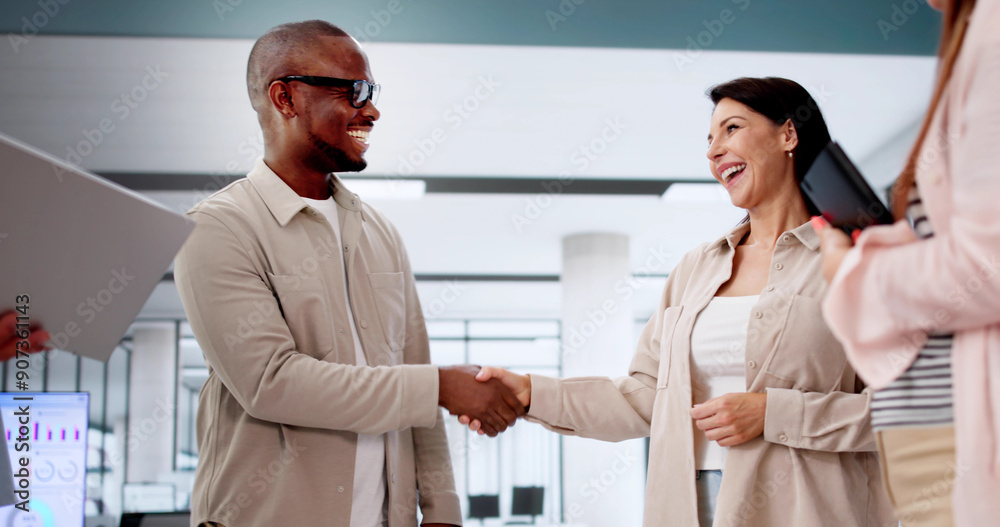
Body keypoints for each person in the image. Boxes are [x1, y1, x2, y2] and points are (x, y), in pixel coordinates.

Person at [463, 78, 895, 526]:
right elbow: (646, 398)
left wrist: (776, 413)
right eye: (709, 139)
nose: (713, 151)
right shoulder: (696, 270)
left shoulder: (855, 258)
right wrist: (532, 393)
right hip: (691, 507)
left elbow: (907, 406)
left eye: (731, 129)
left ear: (788, 134)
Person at [174, 20, 524, 527]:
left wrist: (443, 510)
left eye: (373, 91)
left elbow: (414, 364)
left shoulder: (379, 232)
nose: (372, 109)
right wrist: (440, 387)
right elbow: (272, 383)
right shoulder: (217, 228)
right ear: (285, 98)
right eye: (353, 90)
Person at [814, 0, 1000, 525]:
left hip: (960, 436)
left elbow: (987, 266)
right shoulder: (973, 31)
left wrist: (852, 274)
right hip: (931, 431)